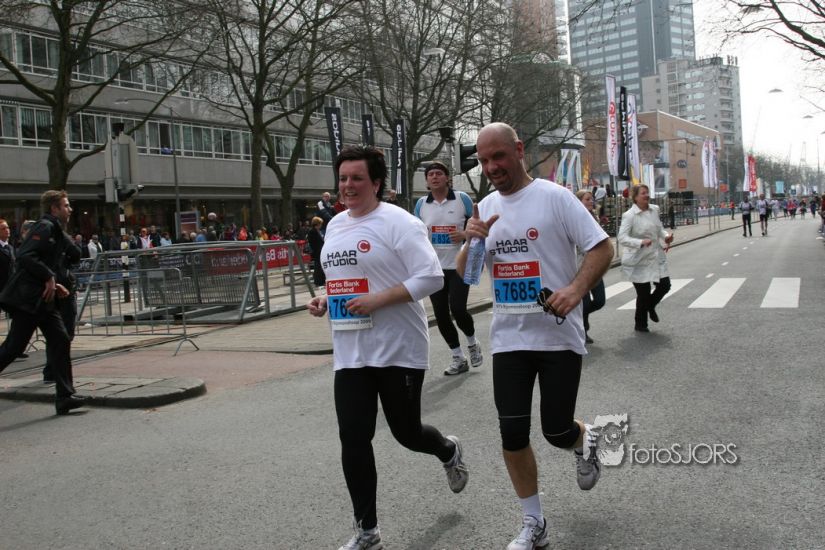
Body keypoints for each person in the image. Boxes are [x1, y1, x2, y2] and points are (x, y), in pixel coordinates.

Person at [457, 123, 612, 550]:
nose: (491, 167)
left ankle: (584, 438)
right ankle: (534, 522)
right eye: (484, 161)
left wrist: (575, 290)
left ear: (519, 150)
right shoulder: (486, 208)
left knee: (556, 430)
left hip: (557, 336)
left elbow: (602, 247)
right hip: (509, 339)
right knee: (512, 433)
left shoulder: (555, 198)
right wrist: (472, 242)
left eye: (498, 157)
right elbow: (467, 275)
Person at [307, 145, 468, 550]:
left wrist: (377, 300)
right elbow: (344, 279)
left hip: (398, 348)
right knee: (353, 437)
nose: (348, 186)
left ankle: (447, 449)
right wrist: (326, 298)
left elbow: (431, 277)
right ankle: (368, 531)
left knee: (407, 433)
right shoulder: (335, 226)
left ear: (376, 183)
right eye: (343, 178)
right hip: (351, 351)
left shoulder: (400, 222)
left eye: (357, 178)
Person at [0, 191, 87, 415]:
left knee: (61, 340)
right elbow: (25, 255)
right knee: (13, 348)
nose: (70, 209)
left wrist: (54, 283)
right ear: (54, 208)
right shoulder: (44, 227)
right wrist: (49, 277)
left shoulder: (55, 230)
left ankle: (65, 397)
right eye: (66, 205)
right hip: (30, 301)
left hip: (44, 300)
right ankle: (65, 395)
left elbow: (71, 255)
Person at [414, 160, 482, 375]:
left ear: (447, 178)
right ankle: (458, 357)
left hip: (459, 264)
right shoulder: (421, 204)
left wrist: (464, 234)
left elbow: (477, 225)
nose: (434, 177)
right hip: (434, 267)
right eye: (430, 174)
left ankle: (472, 342)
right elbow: (415, 234)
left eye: (438, 173)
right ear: (426, 180)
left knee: (458, 308)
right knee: (441, 315)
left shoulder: (462, 199)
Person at [618, 184, 674, 333]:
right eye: (643, 193)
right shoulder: (629, 215)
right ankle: (640, 324)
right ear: (635, 197)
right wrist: (640, 242)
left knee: (665, 285)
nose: (647, 195)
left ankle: (650, 306)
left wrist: (666, 237)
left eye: (647, 192)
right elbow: (622, 238)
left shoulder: (654, 209)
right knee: (643, 292)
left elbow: (659, 229)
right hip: (638, 258)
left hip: (656, 255)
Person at [575, 190, 607, 344]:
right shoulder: (574, 220)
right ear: (578, 202)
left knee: (600, 301)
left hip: (595, 266)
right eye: (587, 199)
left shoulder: (594, 218)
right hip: (580, 267)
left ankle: (575, 318)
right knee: (586, 302)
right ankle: (583, 330)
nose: (591, 201)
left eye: (591, 199)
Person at [306, 216, 325, 287]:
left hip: (320, 251)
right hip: (317, 252)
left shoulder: (318, 231)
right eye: (320, 224)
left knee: (320, 266)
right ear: (317, 224)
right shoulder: (312, 232)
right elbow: (314, 243)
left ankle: (321, 280)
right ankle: (318, 282)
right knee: (318, 267)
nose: (321, 225)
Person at [0, 218, 14, 295]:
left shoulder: (11, 248)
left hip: (11, 288)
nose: (7, 230)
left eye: (8, 228)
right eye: (3, 229)